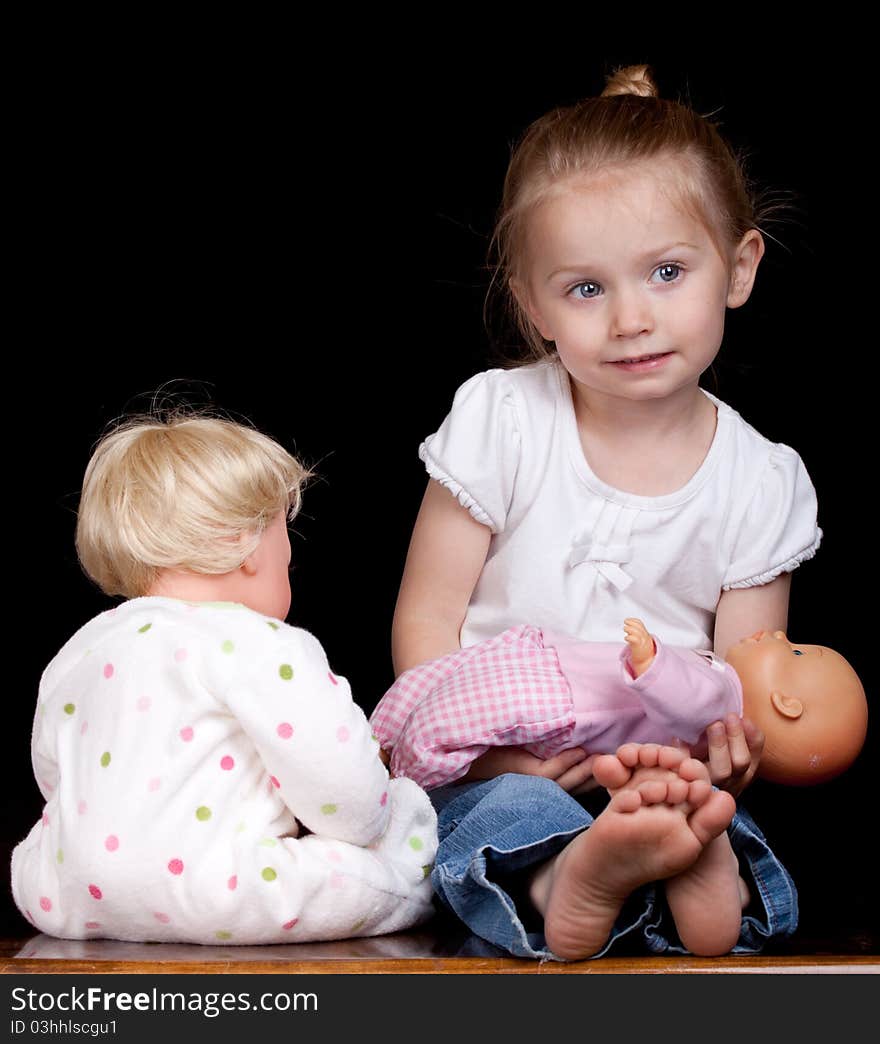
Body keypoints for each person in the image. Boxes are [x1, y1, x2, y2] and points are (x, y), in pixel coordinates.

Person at [390, 65, 821, 959]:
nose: (631, 318)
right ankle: (570, 873)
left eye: (667, 272)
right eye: (586, 288)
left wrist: (728, 754)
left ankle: (676, 856)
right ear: (531, 304)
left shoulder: (762, 479)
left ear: (739, 269)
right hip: (506, 754)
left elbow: (742, 682)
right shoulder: (502, 420)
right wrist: (473, 752)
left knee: (706, 812)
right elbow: (428, 616)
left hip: (657, 765)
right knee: (488, 823)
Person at [11, 412, 437, 945]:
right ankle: (421, 874)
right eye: (286, 540)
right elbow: (346, 798)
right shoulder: (262, 644)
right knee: (399, 854)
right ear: (246, 539)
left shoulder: (80, 651)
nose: (289, 558)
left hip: (66, 893)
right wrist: (387, 816)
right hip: (224, 889)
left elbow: (57, 777)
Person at [373, 619, 867, 789]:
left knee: (448, 718)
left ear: (787, 704)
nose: (780, 635)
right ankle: (377, 747)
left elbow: (689, 702)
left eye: (795, 651)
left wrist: (652, 662)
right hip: (550, 664)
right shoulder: (723, 678)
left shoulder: (723, 698)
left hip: (561, 699)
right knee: (436, 685)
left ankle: (399, 774)